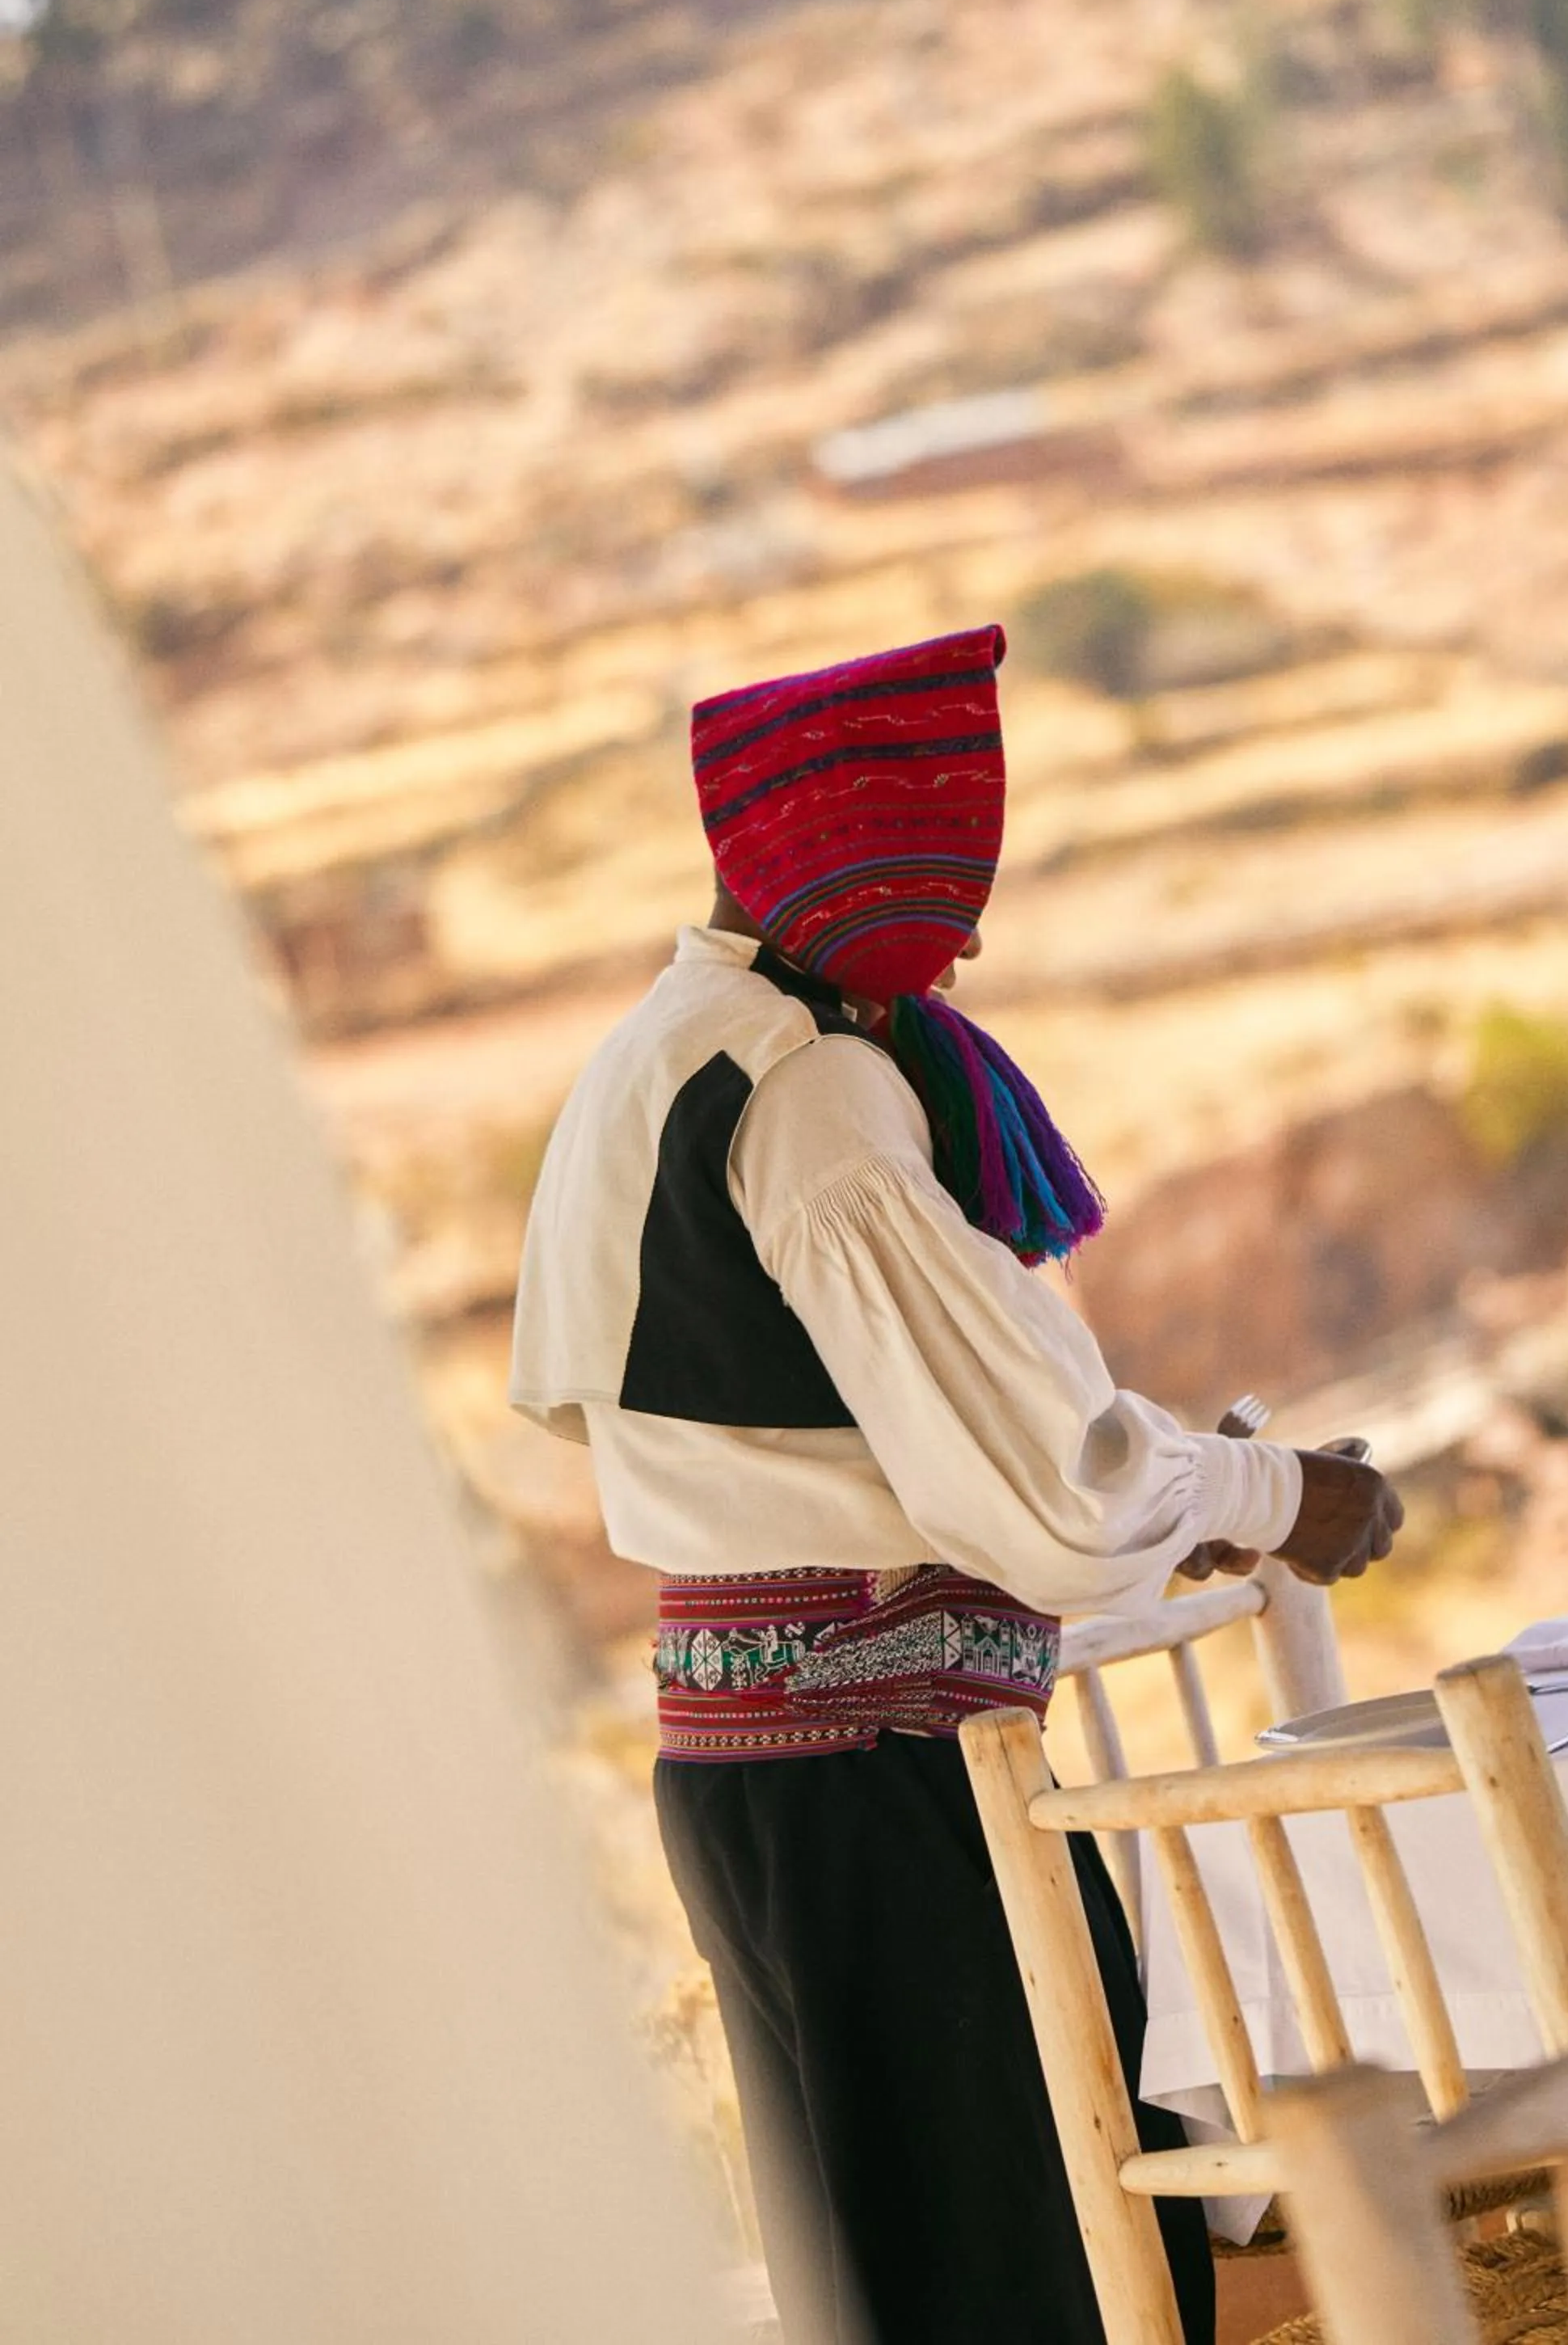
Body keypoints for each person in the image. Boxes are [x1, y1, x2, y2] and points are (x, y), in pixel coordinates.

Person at [510, 623, 1404, 2345]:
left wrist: (1152, 1523)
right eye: (946, 888)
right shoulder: (813, 1092)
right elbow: (1053, 1489)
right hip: (886, 1786)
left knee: (900, 2279)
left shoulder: (662, 1050)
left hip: (761, 1775)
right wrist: (1274, 1493)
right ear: (855, 869)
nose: (970, 939)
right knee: (1041, 2279)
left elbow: (834, 1461)